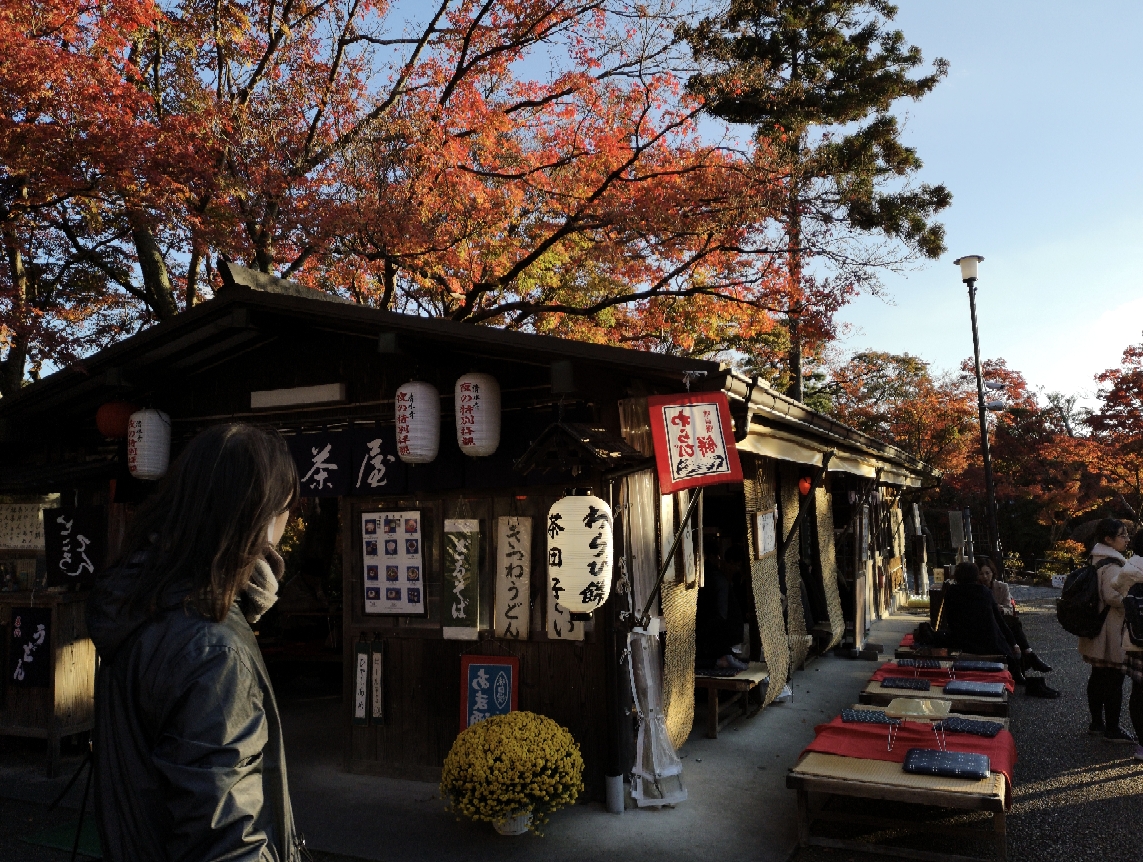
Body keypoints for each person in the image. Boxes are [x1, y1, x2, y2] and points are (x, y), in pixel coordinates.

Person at [87, 424, 304, 860]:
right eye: (286, 509)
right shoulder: (211, 648)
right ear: (259, 518)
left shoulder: (140, 602)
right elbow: (227, 841)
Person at [1078, 518, 1133, 742]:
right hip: (1110, 630)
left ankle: (1097, 723)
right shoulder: (1112, 564)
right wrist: (1131, 599)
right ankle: (1112, 728)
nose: (1127, 539)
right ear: (1108, 539)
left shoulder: (1096, 559)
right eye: (1123, 535)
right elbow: (1112, 596)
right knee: (1113, 680)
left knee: (1098, 677)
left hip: (1097, 628)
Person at [978, 558, 1053, 673]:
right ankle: (1029, 654)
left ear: (993, 573)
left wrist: (1000, 608)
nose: (985, 577)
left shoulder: (1002, 587)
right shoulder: (977, 589)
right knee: (1014, 624)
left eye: (987, 573)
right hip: (986, 621)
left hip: (1002, 619)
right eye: (981, 574)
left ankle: (1026, 656)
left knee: (1012, 622)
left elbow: (1009, 607)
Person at [1113, 529, 1143, 759]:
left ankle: (1142, 743)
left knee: (1139, 691)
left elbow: (1117, 587)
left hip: (1136, 637)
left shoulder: (1129, 569)